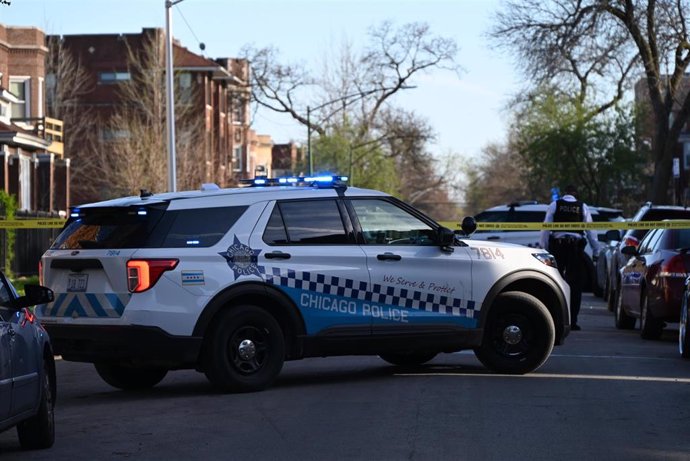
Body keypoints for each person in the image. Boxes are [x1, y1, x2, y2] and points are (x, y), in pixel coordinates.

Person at [539, 185, 599, 331]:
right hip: (575, 250)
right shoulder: (582, 206)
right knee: (575, 286)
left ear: (564, 194)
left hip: (558, 248)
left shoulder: (555, 204)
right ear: (576, 195)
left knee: (555, 282)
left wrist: (544, 249)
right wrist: (596, 250)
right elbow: (591, 231)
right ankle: (572, 321)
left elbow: (545, 228)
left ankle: (554, 319)